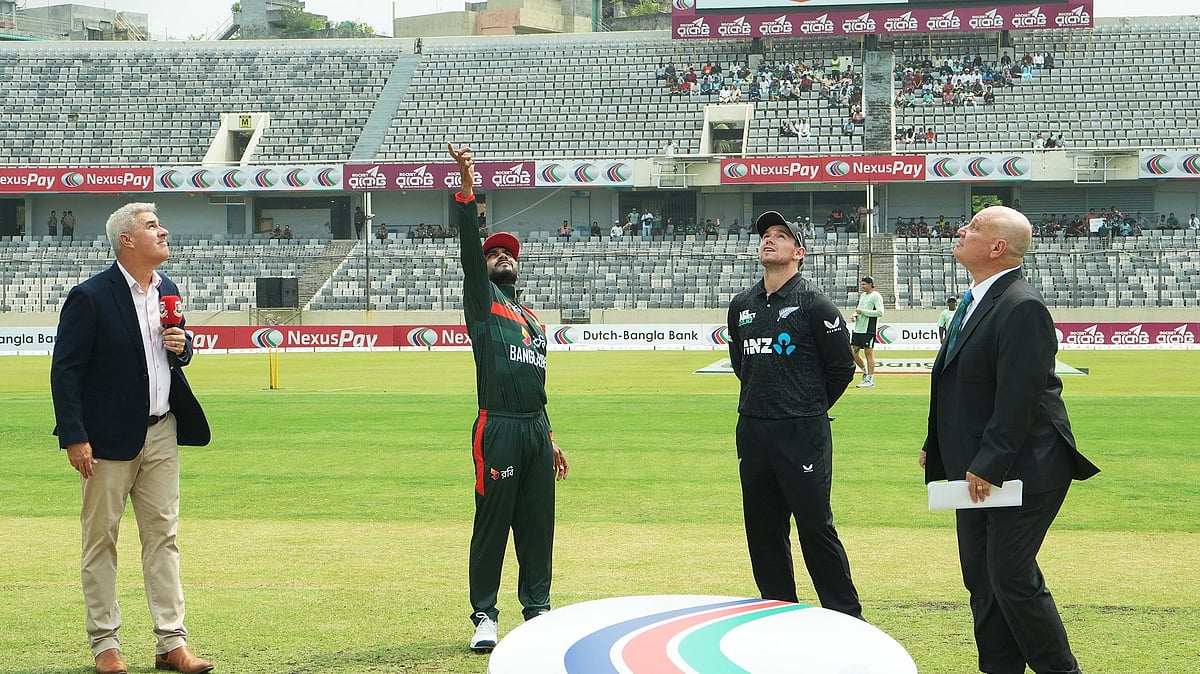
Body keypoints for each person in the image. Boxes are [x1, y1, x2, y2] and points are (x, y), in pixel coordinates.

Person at [920, 206, 1100, 674]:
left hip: (1025, 467)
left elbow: (1019, 395)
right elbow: (956, 384)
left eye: (974, 227)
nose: (961, 229)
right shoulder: (975, 300)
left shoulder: (1021, 305)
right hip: (982, 466)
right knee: (981, 578)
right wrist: (934, 445)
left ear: (997, 247)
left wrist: (991, 462)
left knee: (1011, 577)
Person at [50, 202, 214, 674]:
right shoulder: (91, 296)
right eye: (151, 226)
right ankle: (106, 647)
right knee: (101, 541)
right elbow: (66, 372)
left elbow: (169, 356)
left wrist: (183, 348)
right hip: (104, 442)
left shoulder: (170, 290)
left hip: (163, 431)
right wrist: (74, 436)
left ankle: (171, 643)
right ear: (126, 239)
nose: (163, 231)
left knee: (163, 538)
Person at [447, 143, 569, 653]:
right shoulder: (484, 303)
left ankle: (537, 610)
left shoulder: (534, 322)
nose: (500, 258)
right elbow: (470, 255)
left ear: (518, 267)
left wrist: (552, 436)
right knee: (494, 523)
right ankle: (485, 615)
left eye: (507, 255)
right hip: (496, 427)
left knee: (538, 525)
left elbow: (536, 386)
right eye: (494, 253)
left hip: (535, 429)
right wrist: (469, 189)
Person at [726, 210, 862, 619]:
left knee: (816, 529)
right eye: (765, 235)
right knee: (764, 533)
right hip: (753, 430)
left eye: (780, 236)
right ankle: (778, 615)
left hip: (802, 432)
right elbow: (742, 364)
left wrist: (807, 408)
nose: (769, 240)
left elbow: (841, 368)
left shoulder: (815, 303)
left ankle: (846, 618)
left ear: (798, 252)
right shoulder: (741, 305)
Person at [850, 276, 884, 388]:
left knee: (868, 354)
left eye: (864, 284)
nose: (862, 286)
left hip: (868, 329)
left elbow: (880, 312)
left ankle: (870, 379)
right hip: (858, 328)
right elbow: (858, 309)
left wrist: (863, 312)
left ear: (870, 284)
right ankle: (865, 371)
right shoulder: (863, 296)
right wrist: (854, 315)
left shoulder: (876, 296)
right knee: (853, 352)